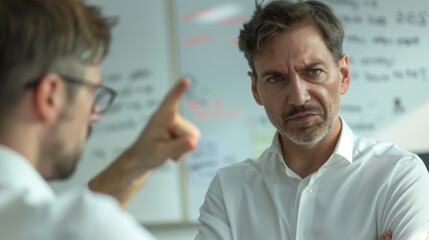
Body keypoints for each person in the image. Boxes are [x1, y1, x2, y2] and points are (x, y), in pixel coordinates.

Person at [196, 1, 429, 240]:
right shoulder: (229, 190)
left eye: (313, 71)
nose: (299, 97)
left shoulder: (397, 176)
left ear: (343, 76)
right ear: (256, 90)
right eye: (276, 79)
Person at [0, 0, 200, 239]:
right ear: (51, 95)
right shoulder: (86, 226)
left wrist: (139, 158)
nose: (95, 113)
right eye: (93, 91)